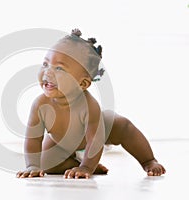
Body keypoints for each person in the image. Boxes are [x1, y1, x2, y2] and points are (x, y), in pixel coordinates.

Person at [16, 29, 166, 179]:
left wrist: (87, 167)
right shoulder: (40, 105)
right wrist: (32, 166)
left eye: (59, 68)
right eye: (45, 64)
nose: (48, 72)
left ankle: (149, 161)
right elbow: (33, 139)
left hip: (102, 131)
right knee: (45, 163)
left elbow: (96, 142)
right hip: (61, 142)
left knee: (123, 126)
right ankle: (73, 164)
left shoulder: (88, 106)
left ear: (82, 83)